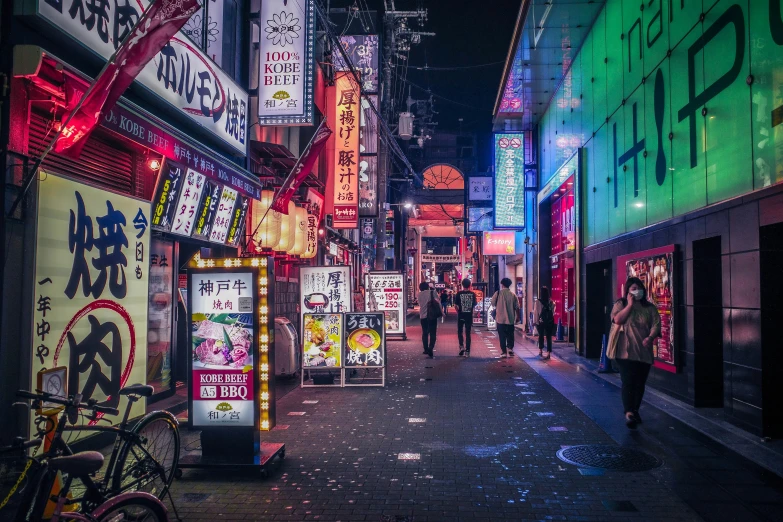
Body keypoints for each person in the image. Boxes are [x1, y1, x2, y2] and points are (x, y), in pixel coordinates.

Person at [610, 277, 661, 429]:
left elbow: (656, 325)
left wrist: (650, 337)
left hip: (644, 352)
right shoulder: (621, 304)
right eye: (632, 288)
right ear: (627, 291)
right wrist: (630, 305)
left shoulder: (650, 308)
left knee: (640, 384)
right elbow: (617, 320)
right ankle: (628, 413)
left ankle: (635, 410)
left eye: (638, 288)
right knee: (628, 382)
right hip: (625, 352)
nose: (636, 291)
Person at [491, 278, 520, 357]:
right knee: (510, 334)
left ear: (502, 284)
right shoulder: (513, 295)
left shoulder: (498, 293)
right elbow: (517, 307)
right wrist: (518, 317)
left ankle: (504, 352)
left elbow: (493, 303)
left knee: (502, 335)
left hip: (500, 319)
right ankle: (510, 348)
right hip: (510, 319)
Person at [455, 278, 477, 357]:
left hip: (461, 315)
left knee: (460, 331)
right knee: (468, 333)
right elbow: (475, 305)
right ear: (470, 285)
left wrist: (459, 312)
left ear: (462, 285)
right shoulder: (473, 294)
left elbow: (456, 305)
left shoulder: (459, 294)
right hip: (469, 315)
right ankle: (467, 351)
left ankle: (461, 347)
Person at [534, 287, 556, 359]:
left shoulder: (538, 302)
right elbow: (553, 312)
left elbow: (536, 312)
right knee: (549, 337)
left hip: (541, 321)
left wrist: (536, 321)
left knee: (541, 336)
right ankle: (548, 353)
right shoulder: (552, 302)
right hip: (549, 321)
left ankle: (540, 350)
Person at [418, 282, 438, 358]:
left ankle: (425, 349)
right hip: (432, 316)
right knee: (433, 332)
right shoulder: (432, 292)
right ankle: (431, 348)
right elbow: (437, 301)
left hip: (423, 316)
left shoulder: (419, 295)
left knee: (425, 332)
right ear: (427, 287)